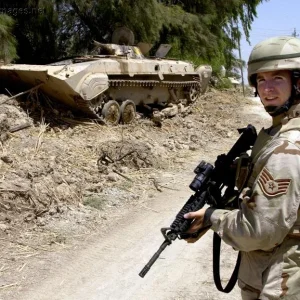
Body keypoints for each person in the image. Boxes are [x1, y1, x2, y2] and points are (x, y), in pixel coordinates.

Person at [184, 36, 300, 300]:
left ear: (298, 82)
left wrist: (212, 217)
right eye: (261, 80)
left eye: (277, 79)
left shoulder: (288, 147)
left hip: (281, 280)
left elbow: (259, 231)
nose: (267, 88)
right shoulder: (277, 131)